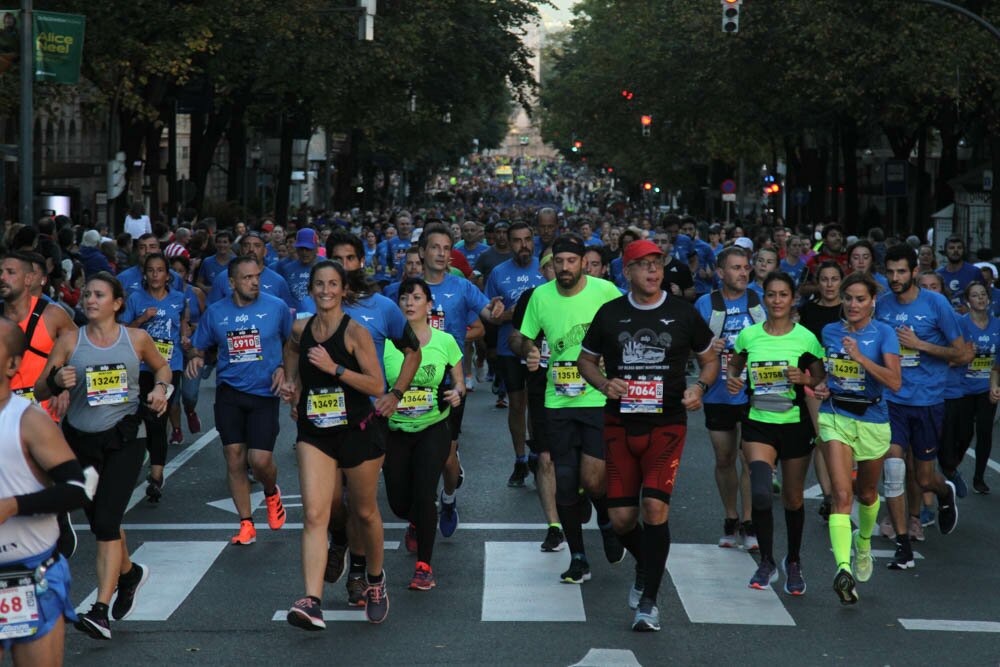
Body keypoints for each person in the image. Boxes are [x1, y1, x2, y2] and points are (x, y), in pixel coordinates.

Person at [578, 239, 718, 631]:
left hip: (667, 424)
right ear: (627, 272)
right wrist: (605, 384)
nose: (653, 272)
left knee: (655, 509)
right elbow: (585, 361)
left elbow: (708, 359)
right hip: (620, 425)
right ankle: (646, 562)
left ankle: (650, 601)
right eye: (644, 266)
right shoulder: (610, 314)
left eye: (657, 264)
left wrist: (699, 388)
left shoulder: (683, 313)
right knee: (622, 519)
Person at [34, 272, 171, 640]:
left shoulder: (136, 339)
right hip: (81, 443)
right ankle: (129, 574)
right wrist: (55, 382)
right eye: (87, 294)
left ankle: (99, 609)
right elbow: (39, 387)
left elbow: (162, 366)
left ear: (117, 303)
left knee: (108, 522)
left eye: (99, 295)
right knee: (99, 523)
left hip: (126, 439)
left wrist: (161, 388)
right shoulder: (69, 341)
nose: (90, 300)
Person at [282, 261, 389, 628]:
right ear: (310, 289)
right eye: (319, 284)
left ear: (344, 290)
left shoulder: (355, 333)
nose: (325, 290)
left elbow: (377, 386)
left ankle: (375, 580)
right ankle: (312, 600)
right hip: (315, 431)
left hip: (358, 431)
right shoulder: (302, 328)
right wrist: (292, 383)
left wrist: (335, 369)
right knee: (315, 514)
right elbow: (292, 349)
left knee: (364, 512)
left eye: (332, 284)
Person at [320, 231, 422, 606]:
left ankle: (359, 573)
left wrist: (395, 395)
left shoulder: (381, 307)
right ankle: (340, 538)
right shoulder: (315, 302)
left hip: (367, 417)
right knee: (330, 500)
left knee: (361, 502)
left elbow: (413, 350)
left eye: (349, 259)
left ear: (360, 262)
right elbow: (294, 343)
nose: (342, 266)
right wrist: (292, 383)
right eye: (335, 258)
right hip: (324, 417)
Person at [517, 234, 625, 584]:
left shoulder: (605, 291)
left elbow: (629, 327)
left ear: (582, 263)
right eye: (558, 262)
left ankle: (606, 523)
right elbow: (519, 336)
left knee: (593, 479)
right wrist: (527, 349)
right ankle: (578, 556)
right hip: (557, 400)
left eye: (571, 261)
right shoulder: (540, 296)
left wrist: (616, 355)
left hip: (597, 397)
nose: (564, 268)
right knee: (564, 481)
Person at [727, 271, 826, 594]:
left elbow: (819, 379)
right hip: (758, 423)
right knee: (758, 492)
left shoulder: (806, 338)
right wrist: (733, 379)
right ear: (764, 298)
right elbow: (735, 365)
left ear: (793, 299)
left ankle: (793, 560)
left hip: (795, 425)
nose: (777, 301)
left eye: (784, 294)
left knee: (793, 498)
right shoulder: (750, 335)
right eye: (771, 294)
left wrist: (804, 380)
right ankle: (767, 560)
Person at [0, 318, 90, 666]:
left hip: (31, 574)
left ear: (12, 365)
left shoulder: (28, 420)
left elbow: (77, 490)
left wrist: (12, 506)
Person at [186, 256, 292, 546]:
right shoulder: (217, 312)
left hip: (264, 392)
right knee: (233, 455)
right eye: (246, 278)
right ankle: (246, 523)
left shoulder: (276, 308)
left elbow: (291, 343)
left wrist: (284, 368)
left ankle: (271, 492)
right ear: (231, 283)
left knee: (259, 460)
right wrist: (195, 359)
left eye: (256, 276)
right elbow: (200, 346)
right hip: (230, 392)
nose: (254, 282)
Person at [874, 245, 967, 570]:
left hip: (927, 401)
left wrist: (920, 345)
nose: (895, 278)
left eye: (901, 271)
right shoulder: (882, 305)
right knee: (895, 467)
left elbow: (960, 353)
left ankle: (943, 493)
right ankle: (903, 545)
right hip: (892, 400)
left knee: (924, 476)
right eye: (890, 272)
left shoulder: (936, 304)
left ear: (914, 271)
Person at [812, 273, 901, 604]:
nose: (852, 304)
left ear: (872, 302)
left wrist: (861, 358)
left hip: (873, 420)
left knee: (866, 493)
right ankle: (842, 568)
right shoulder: (830, 332)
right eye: (848, 298)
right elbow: (827, 374)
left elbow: (895, 382)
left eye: (860, 299)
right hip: (836, 414)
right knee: (840, 493)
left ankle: (863, 541)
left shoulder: (884, 334)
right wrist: (819, 384)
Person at [417, 224, 503, 537]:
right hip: (412, 381)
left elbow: (488, 316)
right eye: (435, 247)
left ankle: (448, 498)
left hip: (449, 382)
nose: (441, 253)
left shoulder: (461, 287)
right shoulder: (408, 290)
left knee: (446, 459)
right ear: (422, 252)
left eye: (446, 248)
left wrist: (497, 309)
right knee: (415, 454)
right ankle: (419, 516)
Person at [382, 278, 465, 593]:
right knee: (400, 503)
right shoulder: (387, 343)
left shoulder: (445, 341)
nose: (409, 302)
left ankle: (424, 567)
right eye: (404, 297)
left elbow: (459, 381)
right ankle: (414, 520)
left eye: (417, 297)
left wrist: (457, 393)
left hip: (434, 426)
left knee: (424, 493)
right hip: (396, 430)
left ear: (429, 305)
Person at [694, 246, 763, 550]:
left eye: (746, 267)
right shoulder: (705, 304)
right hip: (718, 392)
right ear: (720, 273)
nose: (742, 273)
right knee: (724, 458)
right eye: (735, 268)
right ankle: (730, 516)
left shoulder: (759, 299)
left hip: (753, 391)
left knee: (750, 458)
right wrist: (711, 347)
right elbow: (695, 351)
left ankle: (749, 522)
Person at [509, 248, 565, 552]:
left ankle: (579, 492)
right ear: (542, 270)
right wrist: (526, 349)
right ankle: (554, 525)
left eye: (564, 262)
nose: (558, 269)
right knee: (545, 458)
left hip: (583, 391)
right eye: (551, 264)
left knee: (581, 462)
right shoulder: (532, 297)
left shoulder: (589, 296)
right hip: (543, 387)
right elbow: (514, 337)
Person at [122, 254, 188, 498]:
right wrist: (143, 318)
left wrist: (184, 336)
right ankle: (152, 466)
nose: (155, 275)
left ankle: (157, 475)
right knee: (147, 419)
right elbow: (123, 330)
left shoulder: (179, 299)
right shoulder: (136, 299)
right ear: (145, 274)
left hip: (171, 366)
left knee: (159, 419)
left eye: (160, 270)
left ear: (167, 275)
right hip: (141, 368)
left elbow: (184, 323)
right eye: (151, 270)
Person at [485, 222, 546, 488]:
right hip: (508, 348)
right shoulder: (498, 273)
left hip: (538, 348)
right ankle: (520, 459)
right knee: (517, 404)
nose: (524, 245)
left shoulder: (544, 268)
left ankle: (536, 453)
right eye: (518, 240)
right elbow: (493, 316)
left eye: (528, 239)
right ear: (509, 244)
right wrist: (511, 313)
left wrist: (514, 312)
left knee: (537, 404)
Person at [940, 282, 1000, 496]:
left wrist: (994, 386)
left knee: (985, 431)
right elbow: (951, 356)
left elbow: (997, 363)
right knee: (964, 433)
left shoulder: (997, 325)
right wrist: (965, 356)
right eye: (975, 295)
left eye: (983, 294)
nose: (981, 299)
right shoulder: (960, 324)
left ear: (989, 299)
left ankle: (979, 478)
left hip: (985, 388)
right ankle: (951, 466)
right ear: (967, 301)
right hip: (963, 389)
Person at [796, 261, 845, 522]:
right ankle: (829, 496)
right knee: (822, 437)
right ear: (818, 282)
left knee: (843, 438)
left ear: (841, 281)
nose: (829, 284)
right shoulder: (807, 310)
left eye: (834, 279)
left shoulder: (849, 309)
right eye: (824, 279)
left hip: (844, 380)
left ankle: (840, 490)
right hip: (813, 379)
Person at [207, 232, 295, 310]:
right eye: (246, 245)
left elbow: (288, 312)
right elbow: (211, 310)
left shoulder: (278, 281)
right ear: (241, 250)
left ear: (265, 251)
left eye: (257, 245)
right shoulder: (223, 277)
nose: (251, 249)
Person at [170, 255, 206, 435]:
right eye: (173, 270)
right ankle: (176, 429)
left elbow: (208, 321)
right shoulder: (164, 296)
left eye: (181, 271)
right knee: (172, 395)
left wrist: (193, 327)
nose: (177, 274)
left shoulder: (196, 292)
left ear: (187, 273)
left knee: (189, 394)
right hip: (171, 349)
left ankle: (190, 410)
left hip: (193, 348)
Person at [279, 229, 321, 312]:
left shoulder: (327, 266)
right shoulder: (287, 269)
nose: (304, 252)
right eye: (301, 249)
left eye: (308, 249)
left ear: (316, 248)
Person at [937, 237, 982, 311]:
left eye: (959, 248)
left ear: (964, 250)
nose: (955, 250)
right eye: (951, 248)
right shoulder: (938, 274)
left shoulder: (974, 272)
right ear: (945, 251)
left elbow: (983, 297)